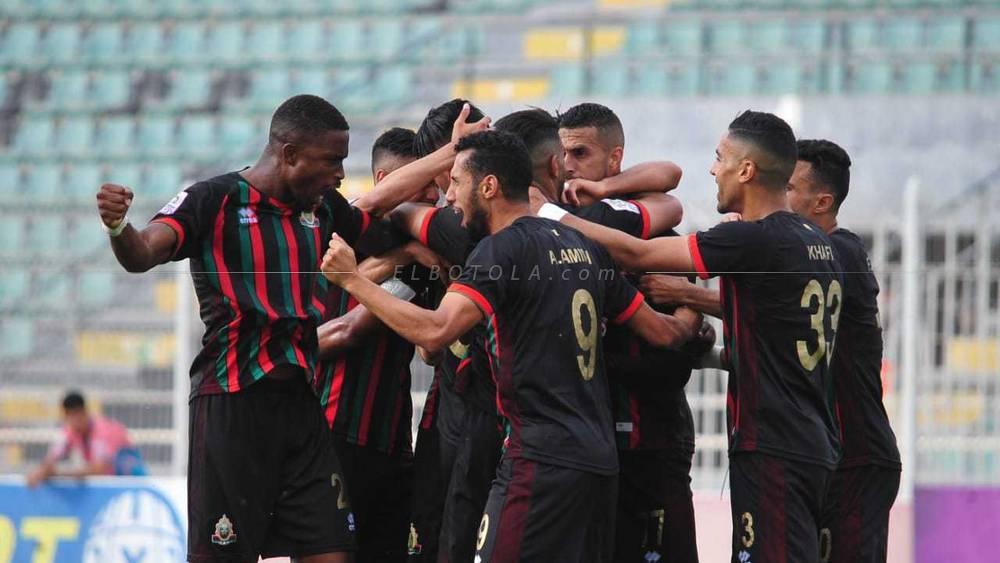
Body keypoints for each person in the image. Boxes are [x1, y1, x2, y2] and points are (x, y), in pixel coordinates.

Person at [322, 130, 703, 562]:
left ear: (488, 186)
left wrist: (353, 280)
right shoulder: (584, 246)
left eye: (456, 183)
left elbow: (435, 332)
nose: (449, 197)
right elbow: (665, 334)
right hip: (600, 462)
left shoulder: (499, 251)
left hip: (537, 458)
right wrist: (693, 309)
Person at [94, 94, 423, 563]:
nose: (340, 174)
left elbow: (383, 228)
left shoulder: (323, 208)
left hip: (302, 408)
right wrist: (117, 226)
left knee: (332, 551)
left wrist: (449, 160)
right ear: (289, 154)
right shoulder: (214, 200)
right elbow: (143, 253)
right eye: (332, 160)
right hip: (233, 402)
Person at [547, 110, 843, 563]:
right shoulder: (817, 242)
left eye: (720, 158)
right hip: (812, 440)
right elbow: (776, 332)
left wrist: (541, 212)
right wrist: (709, 349)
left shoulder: (753, 240)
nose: (712, 169)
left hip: (773, 443)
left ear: (746, 170)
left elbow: (638, 253)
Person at [552, 102, 703, 563]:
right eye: (563, 154)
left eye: (581, 153)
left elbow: (670, 178)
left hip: (653, 432)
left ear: (614, 157)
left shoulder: (631, 221)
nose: (569, 166)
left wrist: (689, 323)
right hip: (588, 438)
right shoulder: (556, 219)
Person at [314, 127, 442, 563]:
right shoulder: (336, 234)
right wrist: (402, 258)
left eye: (433, 183)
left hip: (391, 442)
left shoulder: (420, 251)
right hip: (338, 436)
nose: (431, 194)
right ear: (387, 181)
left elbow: (429, 349)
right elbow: (343, 332)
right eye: (419, 183)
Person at [786, 139, 900, 563]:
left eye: (788, 187)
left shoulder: (836, 252)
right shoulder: (826, 253)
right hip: (834, 454)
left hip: (858, 453)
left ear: (823, 201)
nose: (778, 196)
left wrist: (685, 295)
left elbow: (772, 298)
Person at [27, 391, 146, 486]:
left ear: (84, 412)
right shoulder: (69, 431)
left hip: (132, 483)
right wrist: (41, 471)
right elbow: (51, 459)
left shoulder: (104, 432)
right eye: (69, 417)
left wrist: (57, 473)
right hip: (110, 486)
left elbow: (99, 470)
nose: (74, 422)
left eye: (76, 416)